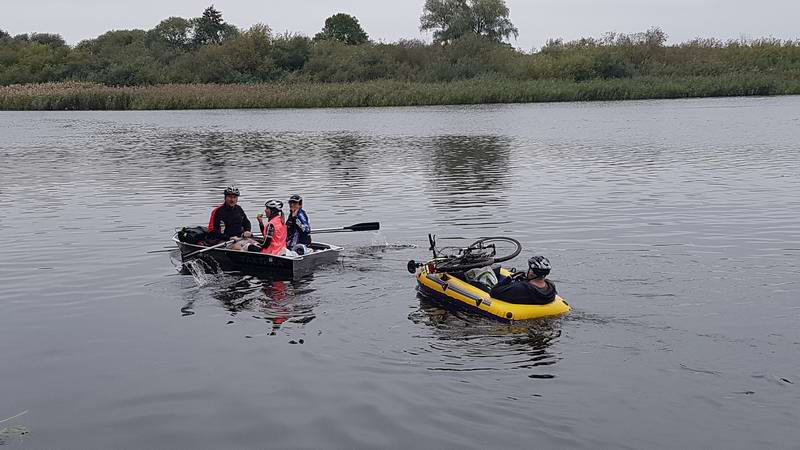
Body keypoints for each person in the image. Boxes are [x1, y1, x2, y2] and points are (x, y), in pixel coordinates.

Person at [489, 256, 557, 305]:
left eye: (529, 269)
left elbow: (494, 292)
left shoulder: (520, 288)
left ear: (532, 273)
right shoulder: (551, 286)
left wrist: (507, 280)